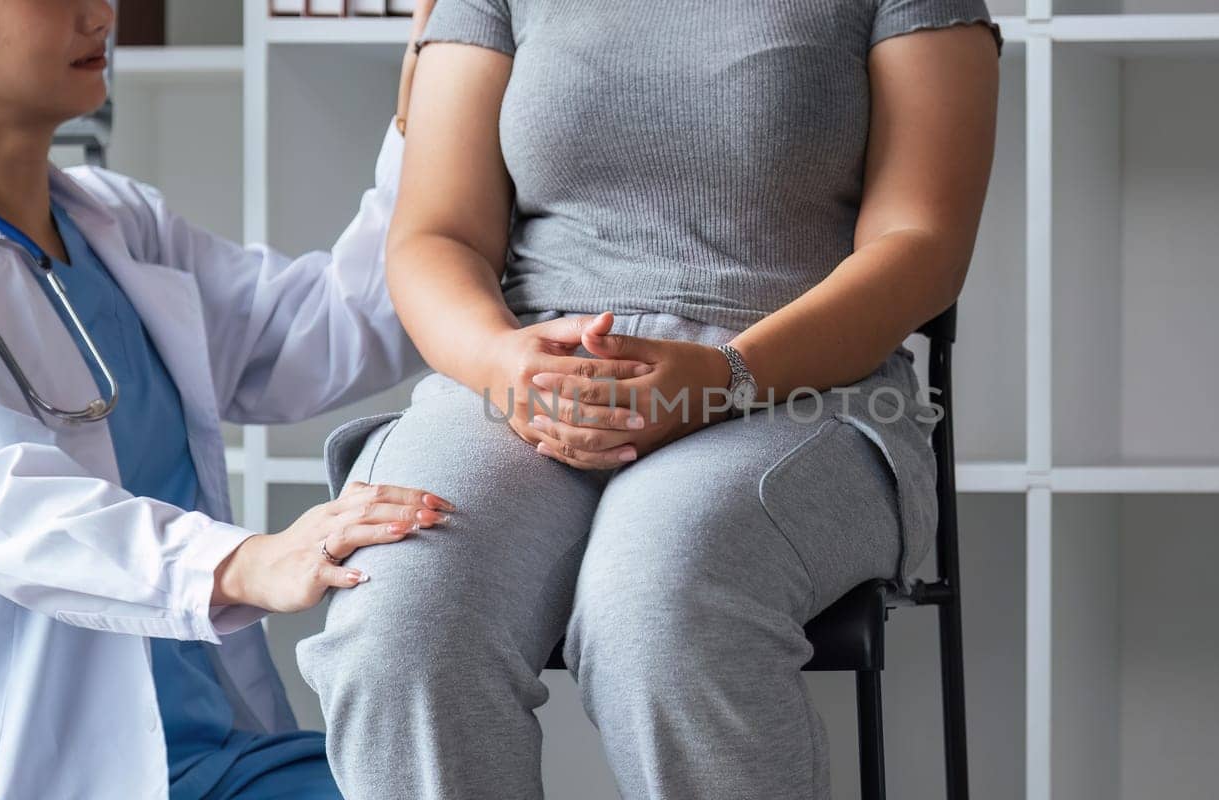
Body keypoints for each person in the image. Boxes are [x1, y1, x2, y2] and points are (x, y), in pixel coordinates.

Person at [299, 0, 1003, 797]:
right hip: (531, 383)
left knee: (662, 601)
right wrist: (501, 363)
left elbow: (921, 244)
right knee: (401, 625)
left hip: (798, 386)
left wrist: (725, 376)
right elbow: (437, 232)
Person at [0, 1, 448, 797]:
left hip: (209, 747)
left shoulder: (115, 222)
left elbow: (326, 329)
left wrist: (422, 119)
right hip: (37, 767)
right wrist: (247, 563)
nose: (101, 13)